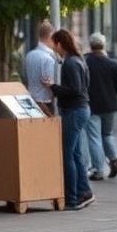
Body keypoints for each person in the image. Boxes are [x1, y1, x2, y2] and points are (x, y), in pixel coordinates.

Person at [41, 29, 94, 211]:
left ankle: (72, 197)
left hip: (74, 110)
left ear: (59, 44)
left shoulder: (70, 63)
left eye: (53, 44)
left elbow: (75, 90)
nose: (53, 48)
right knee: (76, 154)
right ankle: (84, 191)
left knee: (68, 154)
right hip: (80, 109)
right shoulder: (78, 60)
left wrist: (53, 87)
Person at [84, 32, 117, 180]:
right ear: (104, 45)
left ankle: (98, 170)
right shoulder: (112, 63)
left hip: (92, 105)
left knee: (94, 137)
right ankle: (114, 159)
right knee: (107, 134)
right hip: (110, 105)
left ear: (91, 46)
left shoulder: (85, 62)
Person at [25, 21, 59, 114]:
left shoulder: (30, 55)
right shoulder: (49, 58)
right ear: (49, 37)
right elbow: (50, 81)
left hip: (32, 100)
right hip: (45, 102)